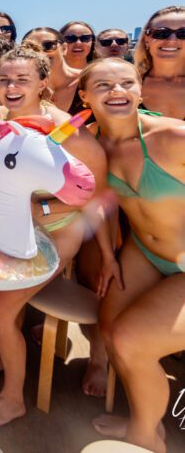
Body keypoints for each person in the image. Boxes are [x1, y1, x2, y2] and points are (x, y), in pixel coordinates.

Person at [0, 46, 117, 427]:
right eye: (4, 79)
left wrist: (43, 212)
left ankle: (13, 398)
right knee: (1, 307)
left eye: (22, 79)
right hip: (6, 228)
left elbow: (97, 198)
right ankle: (8, 355)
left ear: (43, 83)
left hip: (53, 236)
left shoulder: (71, 133)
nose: (11, 86)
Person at [79, 58, 185, 453]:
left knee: (132, 341)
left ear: (141, 91)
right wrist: (108, 256)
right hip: (145, 251)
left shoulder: (175, 137)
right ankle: (146, 420)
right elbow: (102, 204)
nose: (117, 91)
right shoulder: (90, 143)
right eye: (103, 85)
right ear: (85, 95)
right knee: (109, 332)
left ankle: (146, 443)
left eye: (126, 83)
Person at [133, 6, 185, 119]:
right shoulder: (125, 85)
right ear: (147, 40)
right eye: (161, 33)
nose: (172, 40)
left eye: (183, 33)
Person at [22, 27, 83, 114]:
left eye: (48, 45)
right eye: (31, 48)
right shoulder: (19, 87)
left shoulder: (87, 79)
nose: (41, 52)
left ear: (64, 48)